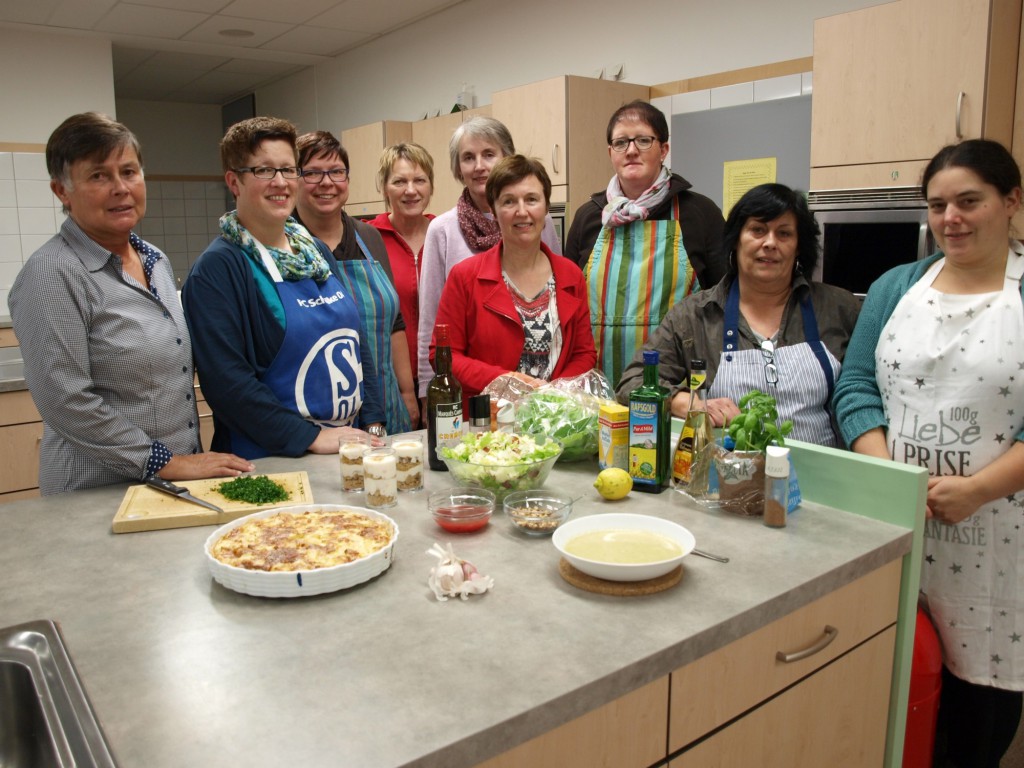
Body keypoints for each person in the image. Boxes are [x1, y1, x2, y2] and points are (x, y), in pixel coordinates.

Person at [833, 139, 1024, 767]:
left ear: (1011, 201)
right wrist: (888, 472)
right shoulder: (896, 287)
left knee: (976, 718)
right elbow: (856, 384)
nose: (952, 219)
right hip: (900, 522)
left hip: (1001, 534)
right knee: (897, 694)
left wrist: (977, 490)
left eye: (970, 201)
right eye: (938, 205)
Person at [8, 112, 253, 494]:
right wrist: (166, 462)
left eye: (129, 171)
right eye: (98, 176)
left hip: (171, 485)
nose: (120, 187)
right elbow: (66, 401)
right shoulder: (52, 274)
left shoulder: (154, 259)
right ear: (62, 191)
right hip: (97, 494)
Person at [182, 117, 384, 460]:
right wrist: (310, 437)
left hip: (347, 446)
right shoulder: (219, 269)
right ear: (234, 181)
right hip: (272, 458)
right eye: (264, 170)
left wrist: (374, 422)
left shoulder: (313, 251)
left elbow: (355, 340)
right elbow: (227, 384)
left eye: (289, 170)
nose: (280, 182)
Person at [616, 183, 860, 447]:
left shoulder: (839, 309)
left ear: (799, 246)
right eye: (757, 230)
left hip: (825, 478)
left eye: (784, 233)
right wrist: (687, 402)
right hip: (726, 478)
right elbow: (632, 383)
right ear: (735, 239)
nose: (769, 243)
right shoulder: (695, 316)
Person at [565, 100, 727, 388]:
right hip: (596, 384)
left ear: (663, 149)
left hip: (676, 384)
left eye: (643, 140)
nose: (631, 150)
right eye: (621, 142)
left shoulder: (699, 214)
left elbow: (724, 301)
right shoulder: (588, 217)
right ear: (610, 153)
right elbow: (568, 306)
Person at [431, 155, 596, 408]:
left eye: (531, 199)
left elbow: (584, 354)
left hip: (553, 420)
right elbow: (444, 355)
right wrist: (509, 381)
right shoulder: (464, 277)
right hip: (487, 426)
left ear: (545, 206)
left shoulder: (571, 276)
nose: (522, 211)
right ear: (494, 211)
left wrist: (551, 394)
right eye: (509, 201)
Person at [416, 116, 561, 401]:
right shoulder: (442, 230)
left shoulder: (543, 223)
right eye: (468, 157)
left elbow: (558, 300)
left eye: (489, 154)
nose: (479, 166)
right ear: (458, 168)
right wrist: (426, 389)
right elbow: (431, 318)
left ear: (507, 157)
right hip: (471, 389)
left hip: (541, 392)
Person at [292, 130, 416, 433]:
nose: (327, 183)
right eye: (312, 173)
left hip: (386, 405)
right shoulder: (285, 247)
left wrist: (408, 395)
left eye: (336, 172)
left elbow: (394, 323)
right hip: (321, 418)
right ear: (293, 180)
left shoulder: (370, 238)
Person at [368, 142, 436, 418]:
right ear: (384, 187)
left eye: (419, 180)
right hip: (387, 381)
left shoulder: (442, 234)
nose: (411, 190)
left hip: (442, 376)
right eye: (399, 181)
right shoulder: (368, 239)